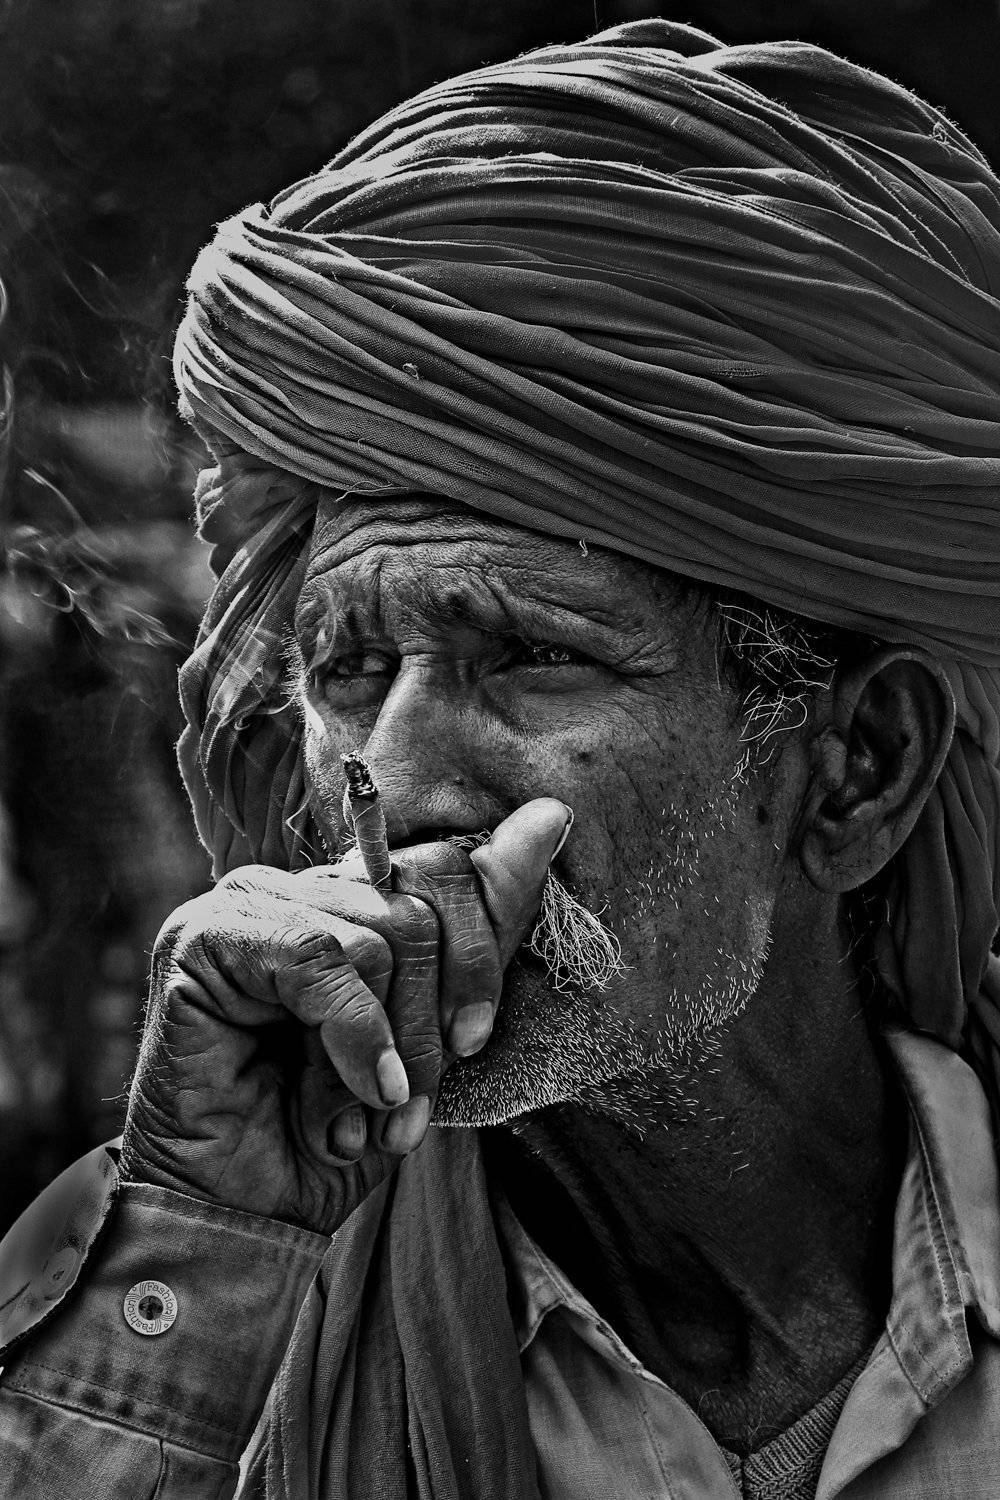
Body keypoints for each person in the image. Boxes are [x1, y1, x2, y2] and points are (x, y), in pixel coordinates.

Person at [2, 18, 1000, 1499]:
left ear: (855, 767)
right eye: (350, 671)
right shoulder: (169, 1262)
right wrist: (211, 1237)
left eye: (531, 656)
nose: (398, 789)